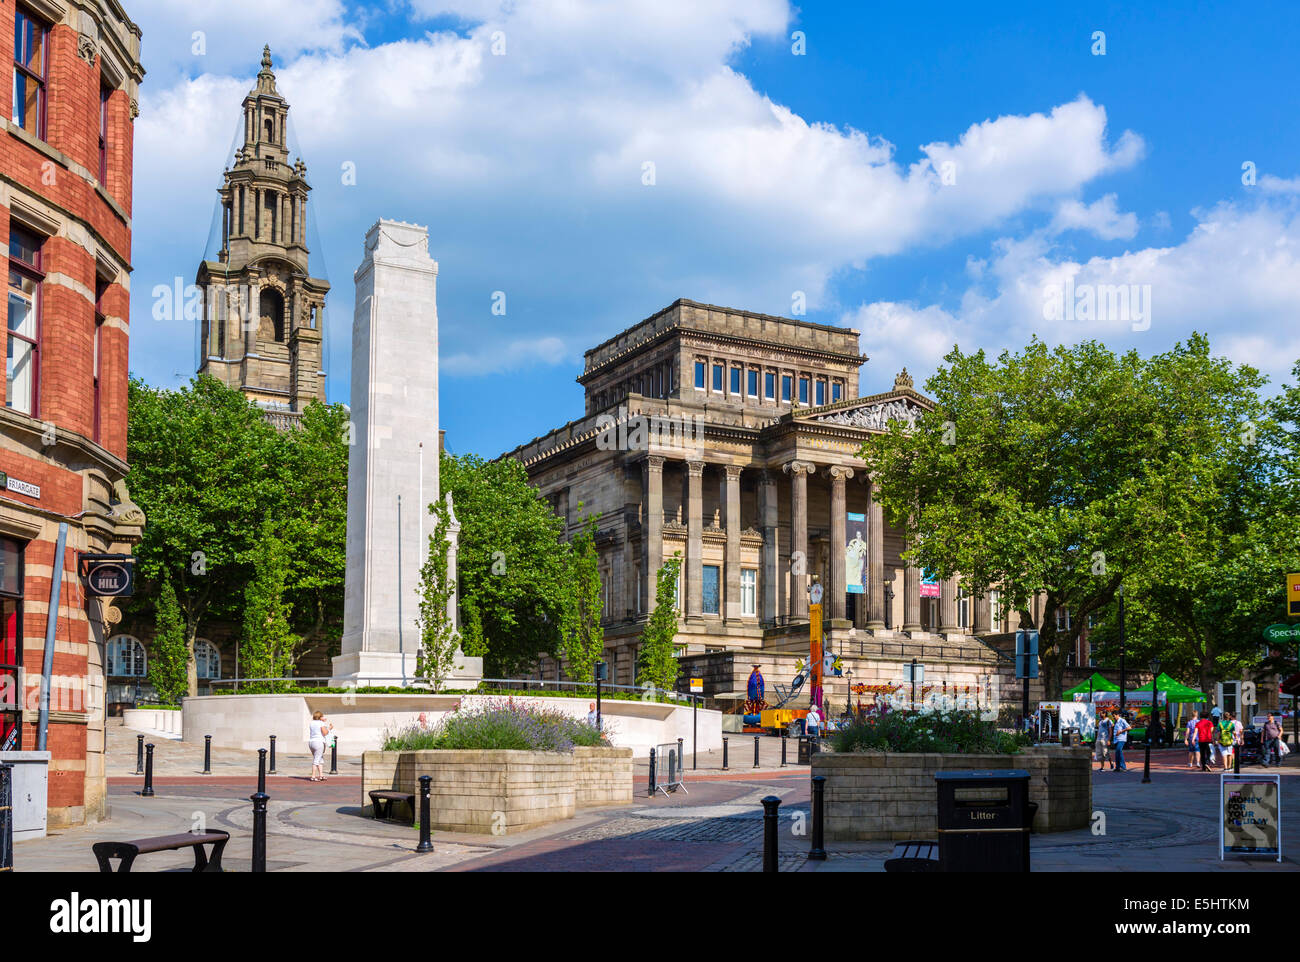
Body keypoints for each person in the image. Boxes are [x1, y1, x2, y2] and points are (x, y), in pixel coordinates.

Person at [308, 710, 332, 782]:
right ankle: (313, 776)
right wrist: (329, 728)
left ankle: (321, 775)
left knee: (320, 759)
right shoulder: (321, 723)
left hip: (311, 742)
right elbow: (325, 733)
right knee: (316, 760)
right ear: (320, 717)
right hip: (318, 742)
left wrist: (323, 721)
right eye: (322, 716)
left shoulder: (311, 723)